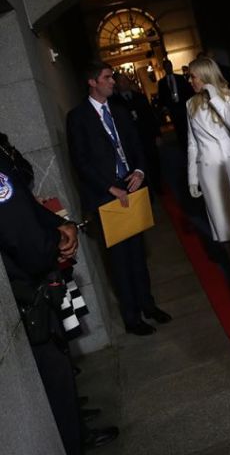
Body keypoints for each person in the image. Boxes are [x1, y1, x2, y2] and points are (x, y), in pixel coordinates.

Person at [0, 144, 115, 455]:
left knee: (63, 373)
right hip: (27, 287)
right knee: (56, 384)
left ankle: (79, 438)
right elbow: (20, 232)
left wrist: (60, 225)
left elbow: (24, 202)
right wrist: (53, 240)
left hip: (33, 280)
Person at [66, 61, 172, 336]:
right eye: (107, 77)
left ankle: (148, 305)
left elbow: (136, 146)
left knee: (138, 253)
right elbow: (81, 162)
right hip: (106, 197)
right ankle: (131, 317)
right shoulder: (77, 117)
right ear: (92, 82)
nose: (113, 81)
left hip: (131, 188)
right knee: (120, 260)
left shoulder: (120, 111)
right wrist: (109, 188)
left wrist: (138, 171)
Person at [185, 56, 230, 296]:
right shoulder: (190, 105)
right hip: (210, 172)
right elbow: (192, 144)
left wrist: (214, 96)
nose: (190, 80)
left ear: (205, 76)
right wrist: (192, 177)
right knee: (224, 229)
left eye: (193, 76)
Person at [110, 73, 162, 192]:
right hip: (131, 142)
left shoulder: (140, 97)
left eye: (125, 80)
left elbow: (151, 117)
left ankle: (158, 185)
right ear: (117, 85)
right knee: (138, 166)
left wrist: (157, 134)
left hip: (147, 137)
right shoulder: (115, 102)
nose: (124, 83)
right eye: (121, 81)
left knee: (153, 161)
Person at [157, 59, 193, 148]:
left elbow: (187, 91)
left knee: (186, 125)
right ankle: (183, 145)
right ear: (164, 68)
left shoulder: (180, 78)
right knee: (178, 128)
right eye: (166, 66)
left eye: (170, 66)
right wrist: (164, 108)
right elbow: (161, 97)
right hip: (172, 109)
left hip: (182, 106)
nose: (168, 68)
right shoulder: (162, 83)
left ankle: (190, 142)